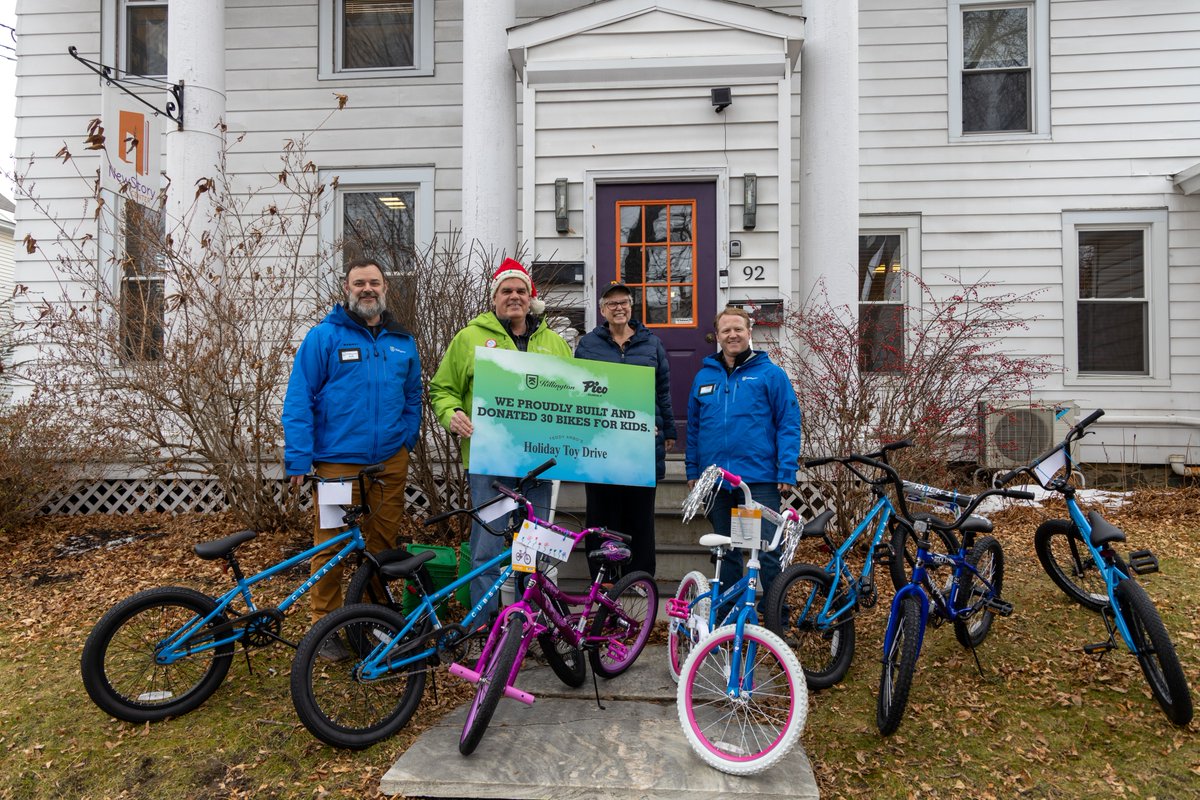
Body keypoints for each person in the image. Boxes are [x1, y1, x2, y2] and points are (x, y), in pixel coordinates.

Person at [282, 258, 422, 658]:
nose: (367, 289)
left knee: (382, 546)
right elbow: (299, 397)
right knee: (331, 545)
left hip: (389, 463)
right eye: (359, 283)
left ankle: (374, 623)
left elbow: (413, 395)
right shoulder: (324, 337)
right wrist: (298, 456)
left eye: (374, 282)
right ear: (347, 289)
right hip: (337, 464)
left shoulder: (402, 341)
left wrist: (406, 441)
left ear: (385, 288)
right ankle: (324, 627)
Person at [429, 258, 572, 617]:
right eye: (506, 290)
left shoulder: (554, 343)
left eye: (521, 290)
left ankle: (527, 623)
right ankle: (484, 625)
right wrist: (451, 414)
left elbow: (574, 398)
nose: (514, 296)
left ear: (530, 298)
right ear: (494, 298)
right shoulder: (469, 338)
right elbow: (441, 389)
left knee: (533, 548)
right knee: (487, 547)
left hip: (539, 464)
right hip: (490, 461)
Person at [685, 306, 800, 612]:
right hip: (717, 482)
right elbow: (694, 428)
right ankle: (729, 619)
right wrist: (693, 470)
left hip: (757, 480)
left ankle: (777, 619)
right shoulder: (704, 377)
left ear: (749, 332)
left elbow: (788, 423)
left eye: (738, 329)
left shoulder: (770, 375)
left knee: (766, 552)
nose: (732, 335)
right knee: (726, 552)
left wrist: (786, 470)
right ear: (718, 335)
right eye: (726, 330)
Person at [574, 281, 676, 579]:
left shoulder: (651, 343)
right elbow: (578, 390)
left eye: (624, 302)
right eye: (612, 303)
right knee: (602, 517)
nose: (618, 308)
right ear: (602, 310)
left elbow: (662, 391)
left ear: (631, 307)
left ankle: (638, 580)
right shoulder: (588, 345)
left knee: (639, 517)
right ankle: (604, 581)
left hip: (640, 446)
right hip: (601, 446)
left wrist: (669, 430)